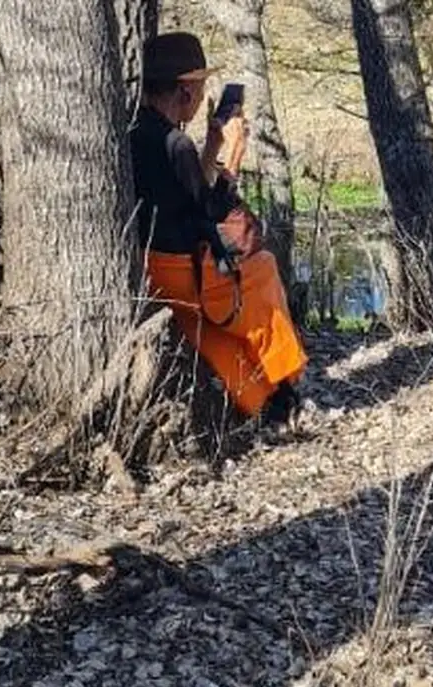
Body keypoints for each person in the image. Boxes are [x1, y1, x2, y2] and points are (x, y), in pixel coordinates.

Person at [130, 32, 307, 425]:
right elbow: (212, 209)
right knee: (262, 271)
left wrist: (210, 146)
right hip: (185, 274)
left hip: (153, 270)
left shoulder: (135, 132)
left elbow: (188, 195)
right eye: (199, 86)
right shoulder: (176, 144)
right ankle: (287, 381)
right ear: (185, 92)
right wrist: (235, 155)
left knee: (216, 337)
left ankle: (267, 404)